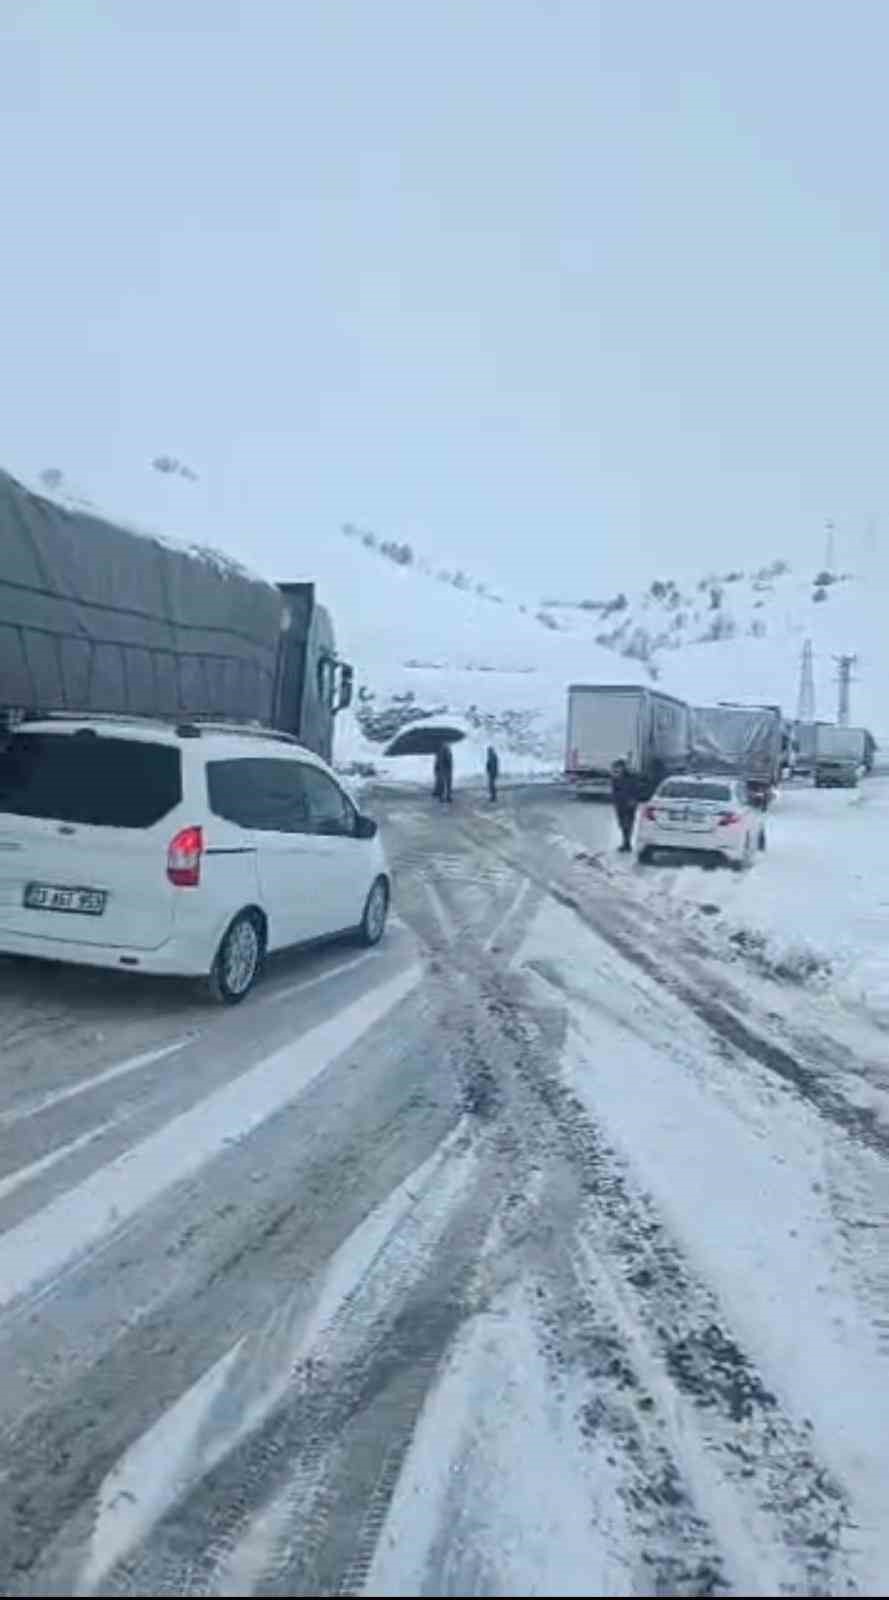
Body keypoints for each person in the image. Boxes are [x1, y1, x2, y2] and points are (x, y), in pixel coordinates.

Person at [611, 758, 639, 853]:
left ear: (623, 767)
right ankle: (625, 843)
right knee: (622, 824)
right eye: (615, 768)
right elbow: (615, 791)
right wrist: (615, 801)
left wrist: (633, 800)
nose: (616, 770)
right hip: (620, 804)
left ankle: (627, 843)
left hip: (629, 804)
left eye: (618, 768)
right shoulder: (615, 778)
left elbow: (635, 789)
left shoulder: (631, 777)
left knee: (628, 824)